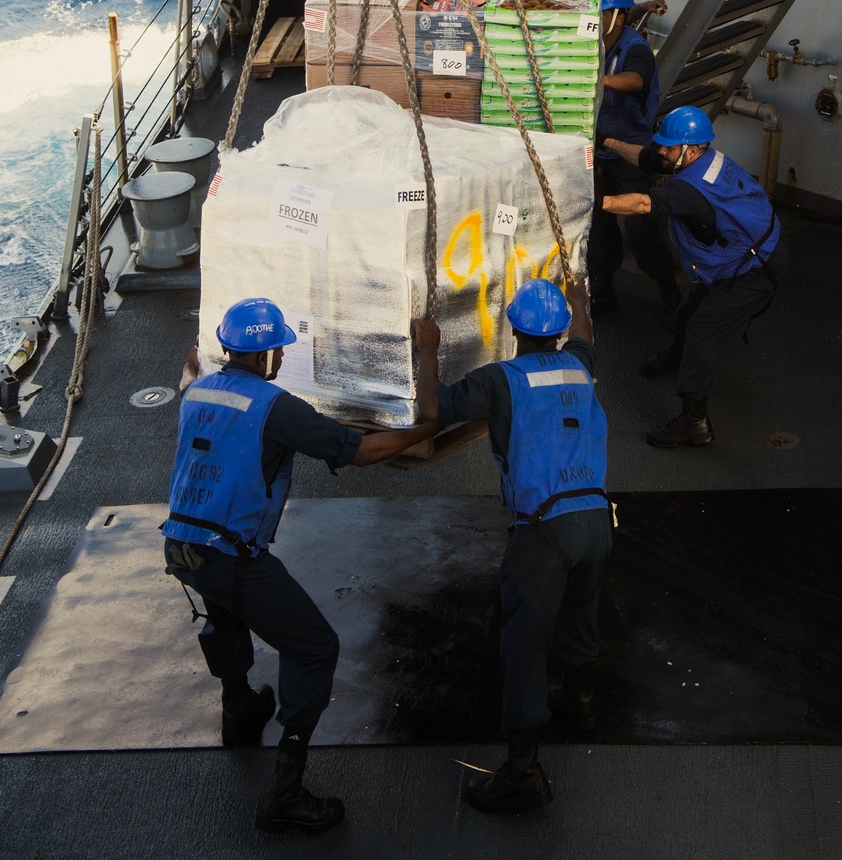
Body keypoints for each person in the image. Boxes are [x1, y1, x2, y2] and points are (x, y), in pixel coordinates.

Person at [163, 297, 438, 834]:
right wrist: (422, 429)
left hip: (180, 544)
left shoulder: (196, 391)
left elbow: (188, 373)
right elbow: (358, 451)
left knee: (225, 615)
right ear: (269, 356)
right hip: (229, 554)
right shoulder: (277, 407)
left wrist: (194, 357)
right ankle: (286, 791)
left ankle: (239, 708)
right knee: (314, 647)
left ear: (227, 347)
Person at [414, 276, 612, 815]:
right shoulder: (581, 365)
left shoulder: (503, 380)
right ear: (561, 332)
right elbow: (587, 335)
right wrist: (579, 299)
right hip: (597, 519)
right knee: (580, 610)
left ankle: (522, 771)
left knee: (522, 644)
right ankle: (581, 700)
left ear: (514, 329)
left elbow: (434, 411)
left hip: (545, 529)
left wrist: (428, 351)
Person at [602, 105, 788, 448]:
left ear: (688, 150)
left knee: (704, 331)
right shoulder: (702, 155)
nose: (661, 150)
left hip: (755, 268)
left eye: (668, 147)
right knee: (689, 311)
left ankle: (694, 423)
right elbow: (647, 158)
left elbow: (644, 204)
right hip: (751, 246)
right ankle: (678, 356)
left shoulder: (691, 188)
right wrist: (607, 141)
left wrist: (592, 201)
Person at [587, 0, 680, 317]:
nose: (595, 17)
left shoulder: (635, 48)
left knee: (642, 231)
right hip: (597, 151)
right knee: (598, 225)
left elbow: (637, 79)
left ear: (618, 17)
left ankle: (667, 286)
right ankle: (601, 286)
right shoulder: (590, 41)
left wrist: (601, 81)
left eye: (602, 11)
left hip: (632, 155)